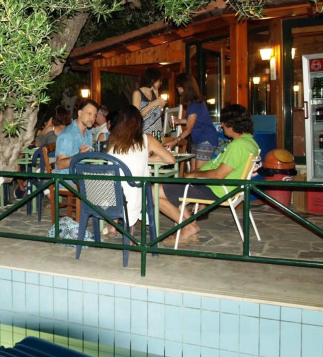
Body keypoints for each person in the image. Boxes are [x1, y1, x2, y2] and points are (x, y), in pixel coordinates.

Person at [156, 104, 259, 243]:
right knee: (171, 187)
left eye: (223, 122)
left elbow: (218, 175)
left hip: (217, 189)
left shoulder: (239, 146)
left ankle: (188, 227)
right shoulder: (249, 142)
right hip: (222, 188)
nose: (222, 126)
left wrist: (194, 175)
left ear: (231, 124)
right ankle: (189, 226)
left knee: (154, 192)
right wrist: (196, 173)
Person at [106, 105, 175, 230]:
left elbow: (124, 158)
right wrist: (149, 158)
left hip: (112, 191)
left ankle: (113, 225)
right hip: (135, 190)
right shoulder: (146, 139)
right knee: (148, 186)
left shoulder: (112, 140)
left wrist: (145, 158)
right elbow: (171, 160)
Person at [163, 73, 219, 170]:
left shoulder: (194, 105)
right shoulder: (196, 103)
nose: (177, 88)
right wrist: (179, 121)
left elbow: (189, 129)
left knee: (198, 173)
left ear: (184, 87)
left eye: (178, 86)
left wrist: (174, 142)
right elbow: (195, 120)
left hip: (206, 140)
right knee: (193, 172)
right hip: (199, 140)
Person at [55, 99, 99, 174]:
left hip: (83, 176)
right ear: (80, 113)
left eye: (94, 116)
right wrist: (79, 156)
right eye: (89, 114)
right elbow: (59, 164)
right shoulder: (67, 135)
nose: (92, 118)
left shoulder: (88, 134)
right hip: (68, 179)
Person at [132, 68, 167, 137]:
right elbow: (136, 116)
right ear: (152, 80)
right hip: (144, 131)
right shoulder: (137, 93)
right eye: (159, 80)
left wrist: (161, 107)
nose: (161, 83)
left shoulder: (155, 91)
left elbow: (157, 114)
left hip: (157, 131)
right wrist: (151, 105)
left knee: (159, 144)